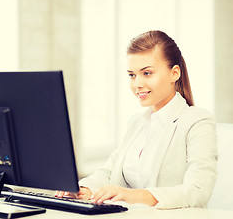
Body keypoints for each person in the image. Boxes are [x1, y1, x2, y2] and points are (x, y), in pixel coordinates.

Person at [55, 30, 218, 209]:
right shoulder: (137, 122)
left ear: (174, 73)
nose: (137, 84)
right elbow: (109, 171)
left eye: (147, 73)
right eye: (132, 75)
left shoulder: (197, 122)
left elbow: (198, 191)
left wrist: (131, 196)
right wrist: (84, 188)